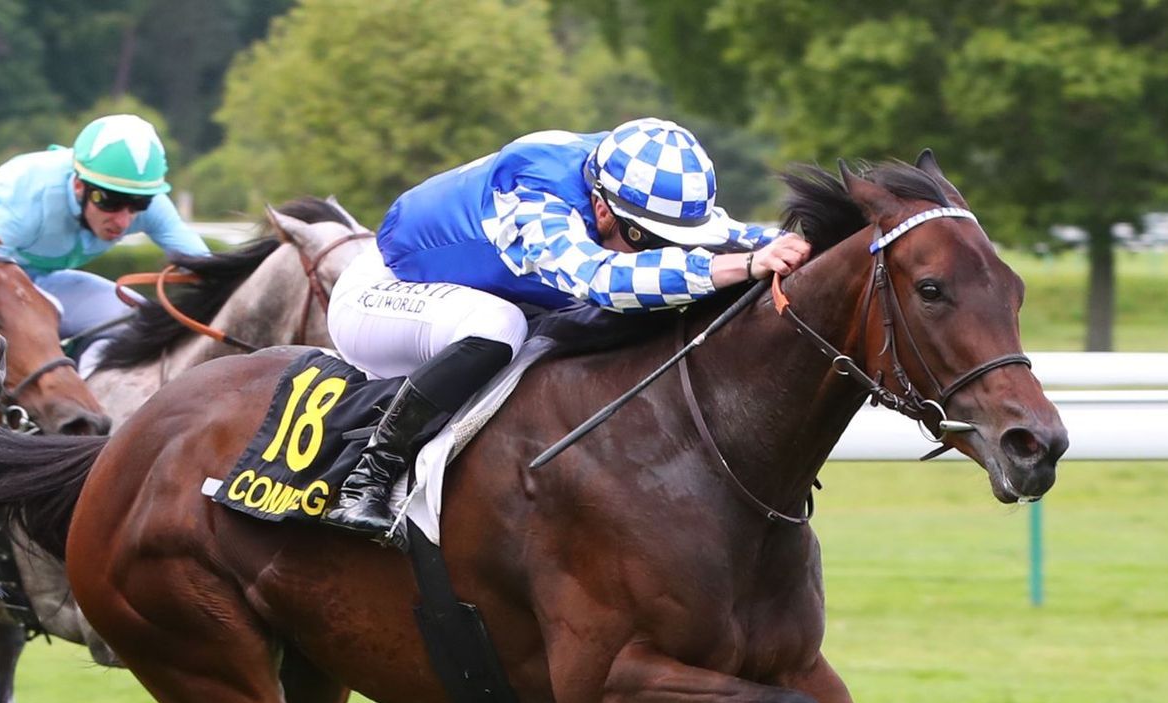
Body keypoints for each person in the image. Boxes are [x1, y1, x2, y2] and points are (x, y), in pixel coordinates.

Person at [322, 117, 813, 539]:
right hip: (380, 295)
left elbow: (732, 234)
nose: (662, 250)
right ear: (602, 210)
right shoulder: (538, 193)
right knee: (499, 325)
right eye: (649, 241)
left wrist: (805, 245)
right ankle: (369, 477)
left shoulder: (634, 182)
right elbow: (602, 280)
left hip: (476, 290)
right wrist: (743, 267)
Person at [0, 113, 208, 352]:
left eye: (139, 203)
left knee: (141, 321)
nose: (123, 220)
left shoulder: (150, 206)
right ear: (79, 186)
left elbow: (204, 269)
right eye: (111, 201)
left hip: (40, 282)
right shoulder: (25, 199)